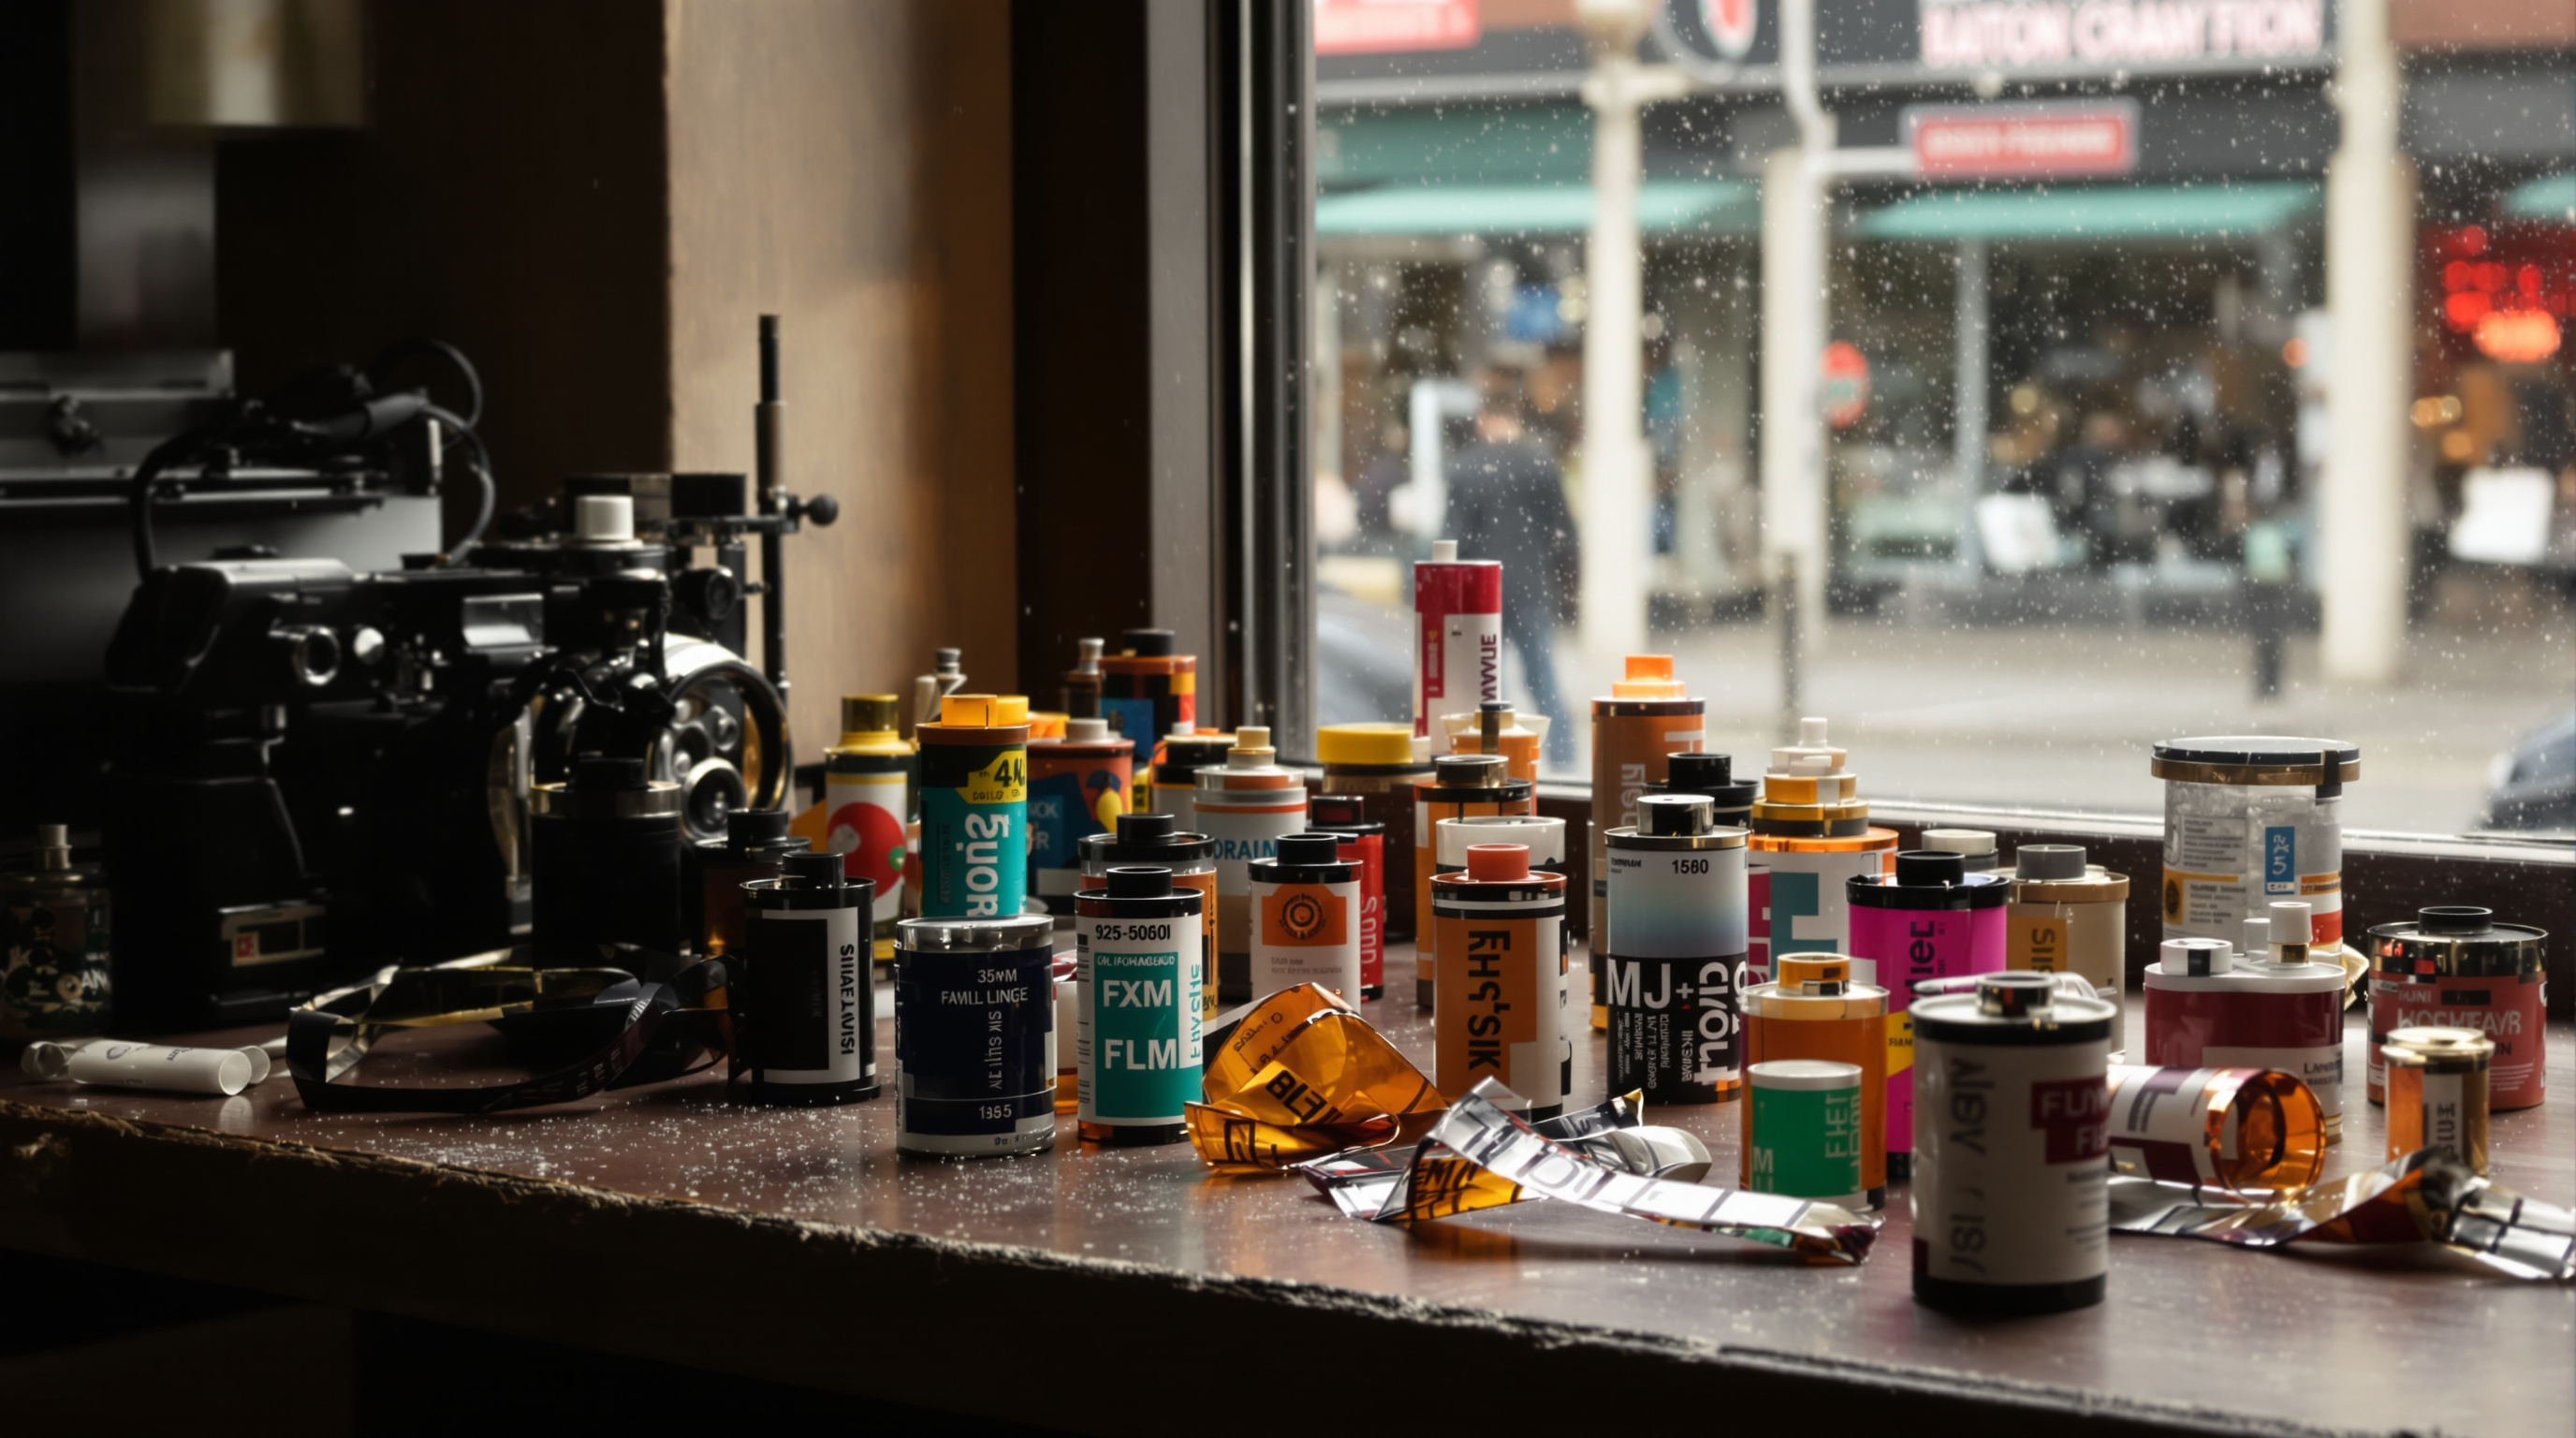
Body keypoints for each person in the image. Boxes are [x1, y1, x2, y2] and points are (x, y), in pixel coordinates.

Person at [1444, 368, 1575, 766]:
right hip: (1531, 585)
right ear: (1516, 418)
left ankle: (1493, 755)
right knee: (1543, 677)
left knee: (1488, 681)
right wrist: (1567, 581)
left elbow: (1453, 538)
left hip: (1484, 594)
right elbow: (1564, 532)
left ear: (1484, 419)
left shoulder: (1466, 468)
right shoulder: (1540, 463)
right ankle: (1563, 755)